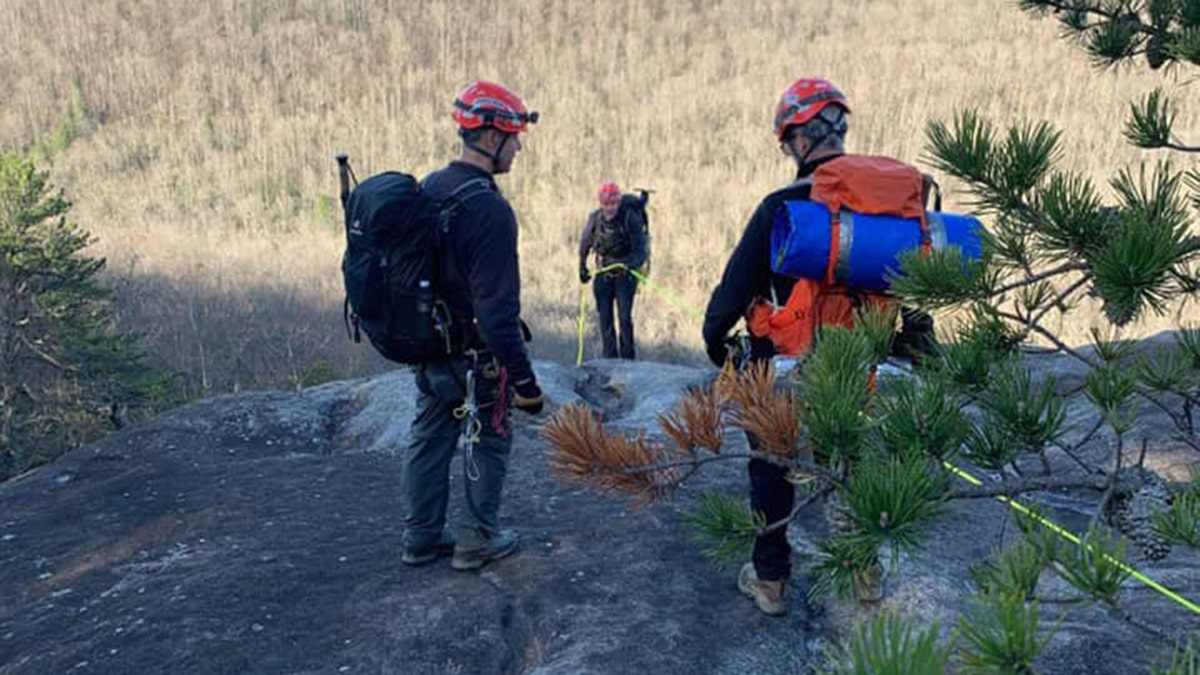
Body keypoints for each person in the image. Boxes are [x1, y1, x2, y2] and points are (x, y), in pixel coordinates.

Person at [702, 77, 934, 615]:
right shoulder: (888, 213)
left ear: (795, 140)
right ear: (841, 130)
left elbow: (731, 295)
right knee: (844, 463)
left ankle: (770, 583)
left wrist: (719, 347)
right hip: (852, 368)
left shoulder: (782, 208)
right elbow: (915, 292)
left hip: (781, 370)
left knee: (770, 470)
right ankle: (863, 573)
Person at [401, 80, 545, 572]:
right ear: (489, 138)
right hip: (478, 356)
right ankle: (478, 539)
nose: (519, 146)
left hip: (430, 345)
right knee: (489, 438)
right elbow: (498, 314)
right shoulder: (489, 210)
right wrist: (526, 384)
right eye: (513, 136)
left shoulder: (429, 188)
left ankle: (419, 537)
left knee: (430, 435)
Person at [578, 182, 648, 360]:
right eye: (606, 205)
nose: (610, 209)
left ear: (619, 203)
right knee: (605, 318)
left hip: (626, 274)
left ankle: (628, 358)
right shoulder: (595, 219)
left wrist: (629, 265)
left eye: (613, 204)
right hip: (603, 271)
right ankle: (609, 357)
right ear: (601, 204)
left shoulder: (630, 218)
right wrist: (582, 265)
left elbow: (641, 250)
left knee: (624, 318)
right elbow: (585, 242)